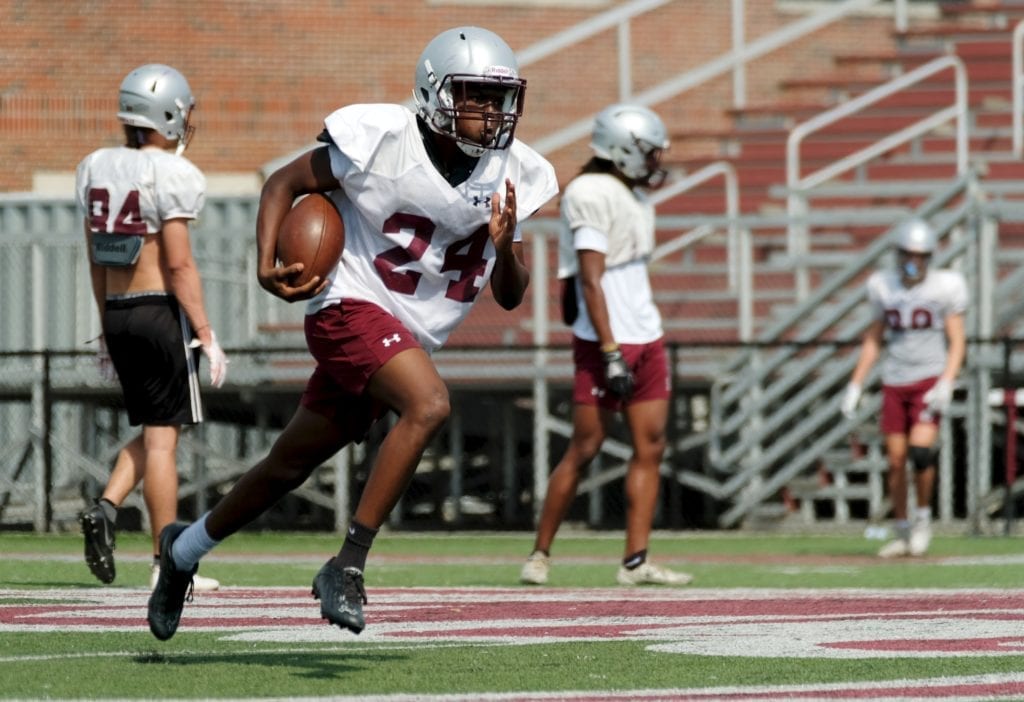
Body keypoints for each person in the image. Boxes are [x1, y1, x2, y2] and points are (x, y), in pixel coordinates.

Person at [146, 26, 557, 640]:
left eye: (499, 98)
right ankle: (348, 564)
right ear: (435, 93)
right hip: (349, 304)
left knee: (289, 464)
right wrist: (265, 263)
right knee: (429, 403)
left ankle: (182, 552)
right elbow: (284, 183)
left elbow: (510, 293)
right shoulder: (384, 140)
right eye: (475, 95)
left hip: (406, 332)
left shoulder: (510, 170)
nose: (491, 112)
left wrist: (506, 250)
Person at [519, 104, 691, 587]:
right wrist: (611, 349)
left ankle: (635, 561)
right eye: (650, 152)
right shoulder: (590, 191)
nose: (656, 161)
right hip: (606, 339)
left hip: (646, 332)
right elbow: (591, 279)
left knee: (650, 447)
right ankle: (539, 554)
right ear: (624, 148)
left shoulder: (631, 196)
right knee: (586, 445)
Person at [75, 63, 228, 592]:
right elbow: (180, 266)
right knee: (165, 441)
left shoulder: (95, 165)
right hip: (159, 310)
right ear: (166, 115)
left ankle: (106, 505)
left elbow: (95, 258)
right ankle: (169, 563)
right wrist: (207, 334)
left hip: (117, 310)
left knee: (154, 430)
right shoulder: (171, 173)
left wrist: (103, 326)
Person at [840, 216, 967, 558]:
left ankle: (923, 518)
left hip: (928, 378)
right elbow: (874, 339)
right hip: (895, 379)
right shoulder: (883, 286)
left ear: (930, 257)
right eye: (908, 254)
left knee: (920, 452)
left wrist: (947, 380)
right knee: (895, 461)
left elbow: (957, 340)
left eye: (920, 255)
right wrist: (855, 384)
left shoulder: (944, 287)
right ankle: (901, 528)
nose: (914, 262)